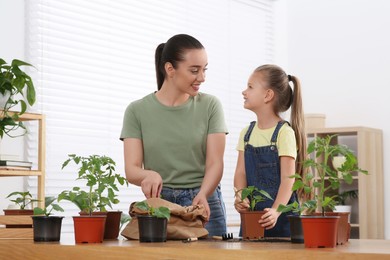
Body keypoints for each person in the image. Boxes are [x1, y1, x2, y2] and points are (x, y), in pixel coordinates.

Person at [120, 34, 228, 237]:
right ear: (170, 69)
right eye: (194, 70)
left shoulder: (210, 106)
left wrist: (203, 194)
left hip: (203, 201)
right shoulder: (137, 110)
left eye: (204, 70)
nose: (202, 77)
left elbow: (215, 163)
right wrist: (148, 175)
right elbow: (132, 169)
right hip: (161, 204)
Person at [233, 64, 307, 237]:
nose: (244, 92)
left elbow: (288, 180)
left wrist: (275, 211)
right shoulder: (246, 133)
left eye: (250, 87)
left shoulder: (284, 133)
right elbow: (240, 173)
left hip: (283, 220)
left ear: (268, 95)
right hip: (253, 219)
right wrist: (240, 196)